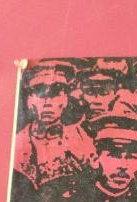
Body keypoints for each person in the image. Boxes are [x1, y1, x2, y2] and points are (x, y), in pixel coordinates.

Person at [14, 59, 95, 195]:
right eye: (40, 93)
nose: (48, 102)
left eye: (56, 93)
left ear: (66, 100)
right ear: (29, 100)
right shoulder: (16, 143)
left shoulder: (82, 142)